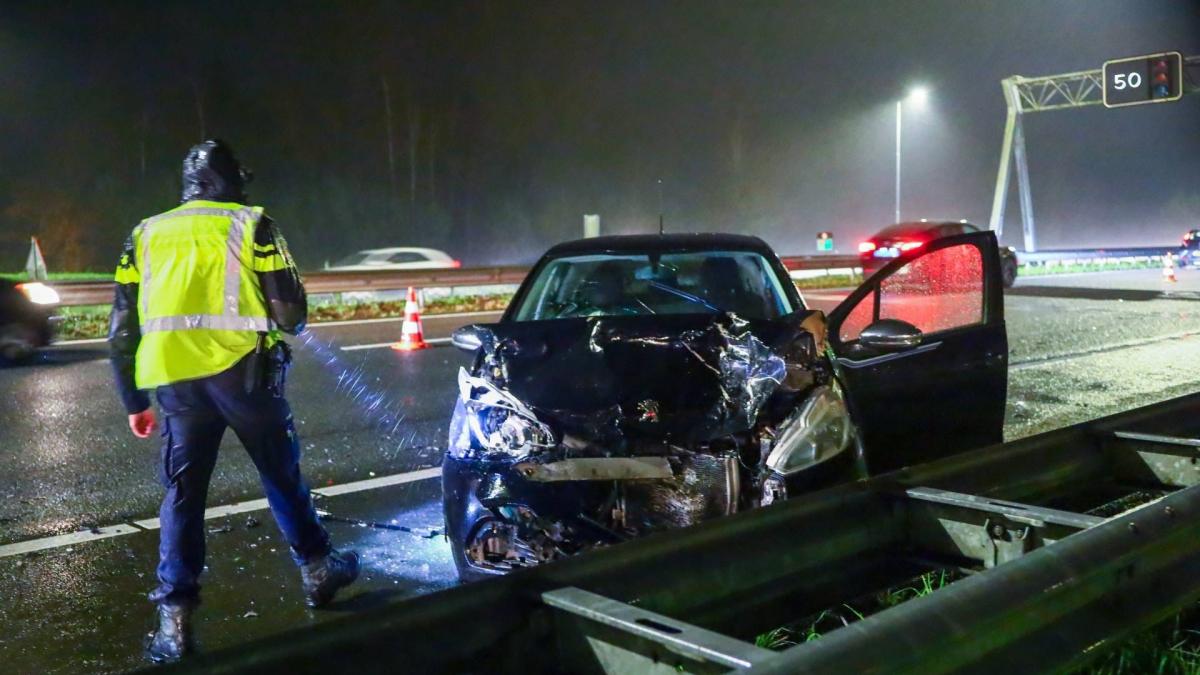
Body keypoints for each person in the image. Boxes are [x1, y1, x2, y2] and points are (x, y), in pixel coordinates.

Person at [109, 139, 359, 663]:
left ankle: (174, 623)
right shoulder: (253, 224)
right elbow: (291, 315)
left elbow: (120, 331)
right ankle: (317, 570)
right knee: (280, 473)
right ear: (232, 180)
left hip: (175, 384)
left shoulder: (145, 234)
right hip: (244, 376)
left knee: (182, 496)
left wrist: (133, 399)